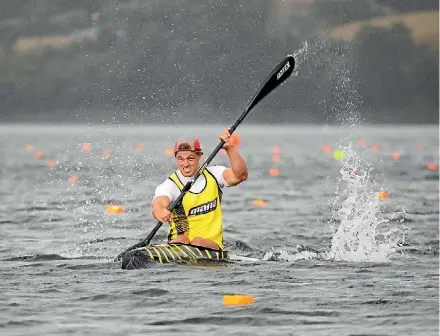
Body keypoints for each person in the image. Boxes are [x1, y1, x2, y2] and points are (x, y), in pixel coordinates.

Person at [152, 129, 248, 250]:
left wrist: (229, 148)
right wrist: (160, 210)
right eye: (180, 159)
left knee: (198, 242)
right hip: (179, 245)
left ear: (199, 156)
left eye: (190, 158)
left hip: (211, 245)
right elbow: (159, 202)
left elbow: (241, 175)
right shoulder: (171, 184)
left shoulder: (214, 175)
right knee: (183, 239)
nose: (185, 164)